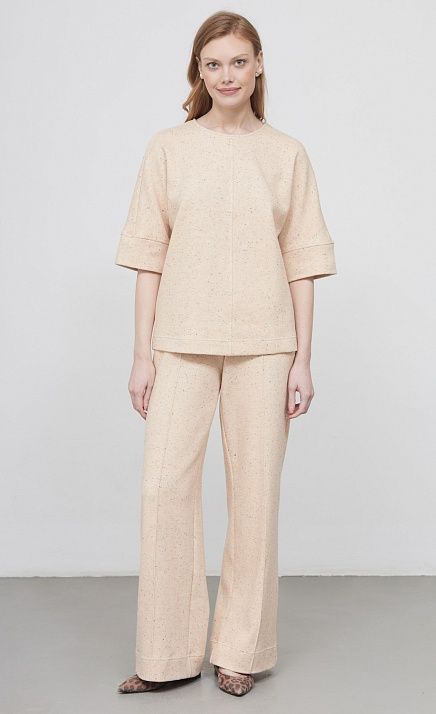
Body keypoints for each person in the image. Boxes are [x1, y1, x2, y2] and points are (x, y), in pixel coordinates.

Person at [115, 10, 337, 698]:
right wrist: (142, 354)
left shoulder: (287, 154)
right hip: (180, 342)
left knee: (255, 496)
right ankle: (166, 654)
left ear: (259, 64)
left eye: (238, 61)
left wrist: (303, 359)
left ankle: (241, 650)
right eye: (213, 64)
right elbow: (148, 258)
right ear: (199, 71)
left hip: (266, 346)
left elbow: (302, 262)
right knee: (163, 490)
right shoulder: (168, 149)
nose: (227, 75)